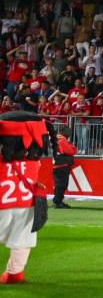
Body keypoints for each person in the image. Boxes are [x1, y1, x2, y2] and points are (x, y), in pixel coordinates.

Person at [0, 112, 50, 284]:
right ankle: (14, 273)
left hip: (3, 203)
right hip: (26, 204)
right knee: (22, 240)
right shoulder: (34, 162)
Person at [51, 132, 77, 209]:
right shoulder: (62, 141)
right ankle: (58, 202)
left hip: (58, 165)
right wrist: (73, 147)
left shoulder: (57, 140)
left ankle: (57, 201)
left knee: (59, 184)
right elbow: (71, 151)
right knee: (62, 184)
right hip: (62, 166)